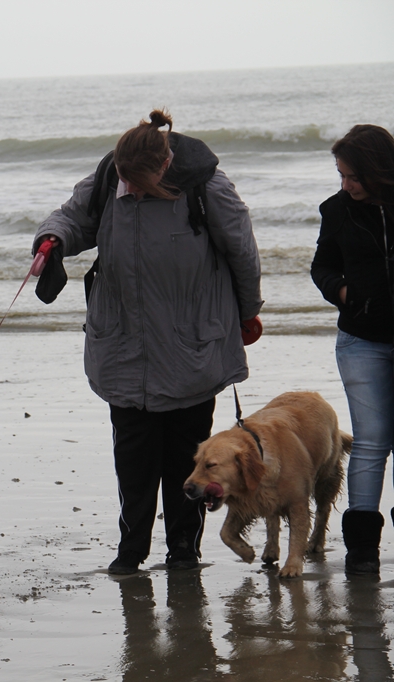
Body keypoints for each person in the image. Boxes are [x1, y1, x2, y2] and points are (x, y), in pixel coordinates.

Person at [33, 110, 263, 575]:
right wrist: (52, 239)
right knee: (133, 462)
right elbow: (73, 216)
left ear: (163, 167)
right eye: (124, 180)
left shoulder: (205, 187)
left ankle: (183, 549)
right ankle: (131, 551)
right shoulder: (108, 178)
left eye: (139, 183)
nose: (130, 191)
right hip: (122, 346)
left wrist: (247, 312)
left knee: (189, 460)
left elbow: (242, 250)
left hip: (191, 345)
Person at [310, 124, 394, 575]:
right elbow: (322, 265)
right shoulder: (336, 210)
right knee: (372, 440)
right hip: (361, 339)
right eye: (340, 175)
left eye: (353, 176)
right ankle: (362, 551)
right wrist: (342, 292)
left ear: (377, 170)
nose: (346, 184)